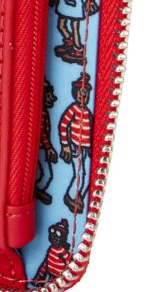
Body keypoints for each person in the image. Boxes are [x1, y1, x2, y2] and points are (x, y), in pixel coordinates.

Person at [59, 73, 94, 215]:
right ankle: (71, 197)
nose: (83, 95)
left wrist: (90, 148)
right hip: (75, 147)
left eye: (85, 92)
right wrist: (65, 145)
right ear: (75, 93)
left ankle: (77, 198)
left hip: (84, 148)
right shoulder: (73, 109)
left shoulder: (87, 112)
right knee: (79, 173)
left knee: (84, 174)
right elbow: (63, 125)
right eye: (80, 92)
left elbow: (89, 131)